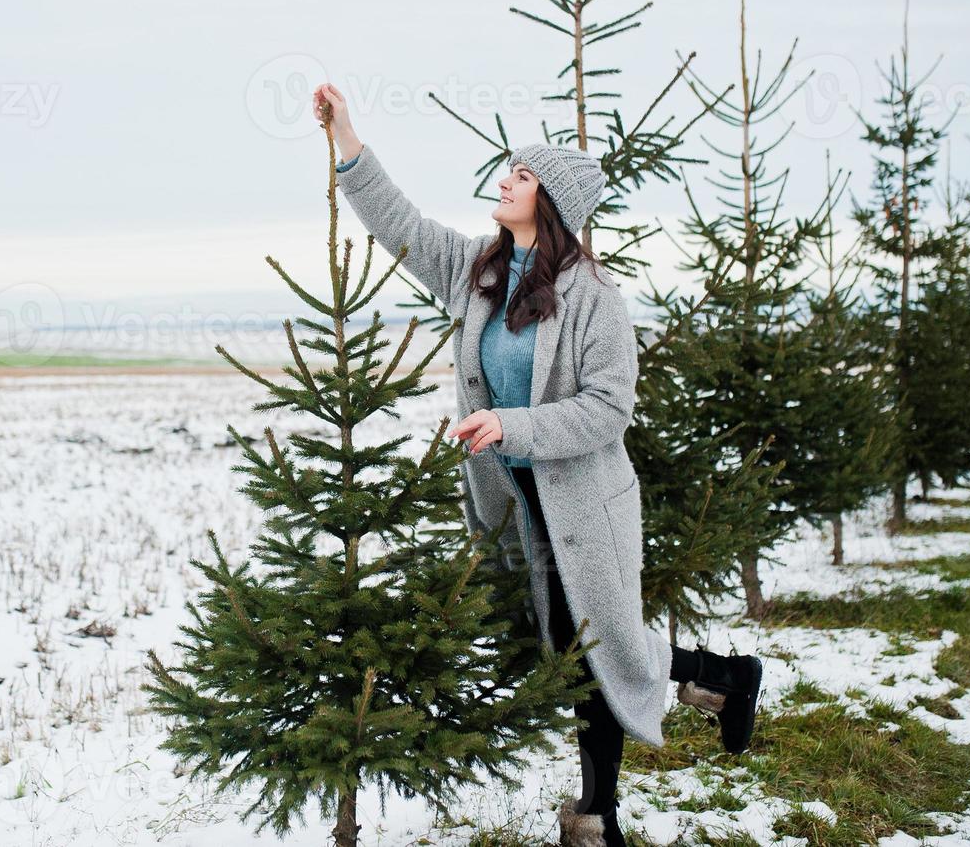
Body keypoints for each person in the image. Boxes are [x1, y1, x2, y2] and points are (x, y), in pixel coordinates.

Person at [311, 82, 764, 847]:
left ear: (548, 200)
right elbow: (399, 226)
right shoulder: (478, 269)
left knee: (589, 653)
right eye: (508, 171)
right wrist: (346, 137)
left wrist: (509, 424)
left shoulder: (594, 298)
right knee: (577, 642)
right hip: (515, 506)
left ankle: (595, 817)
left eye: (520, 176)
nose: (504, 180)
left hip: (583, 506)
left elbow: (607, 408)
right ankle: (722, 679)